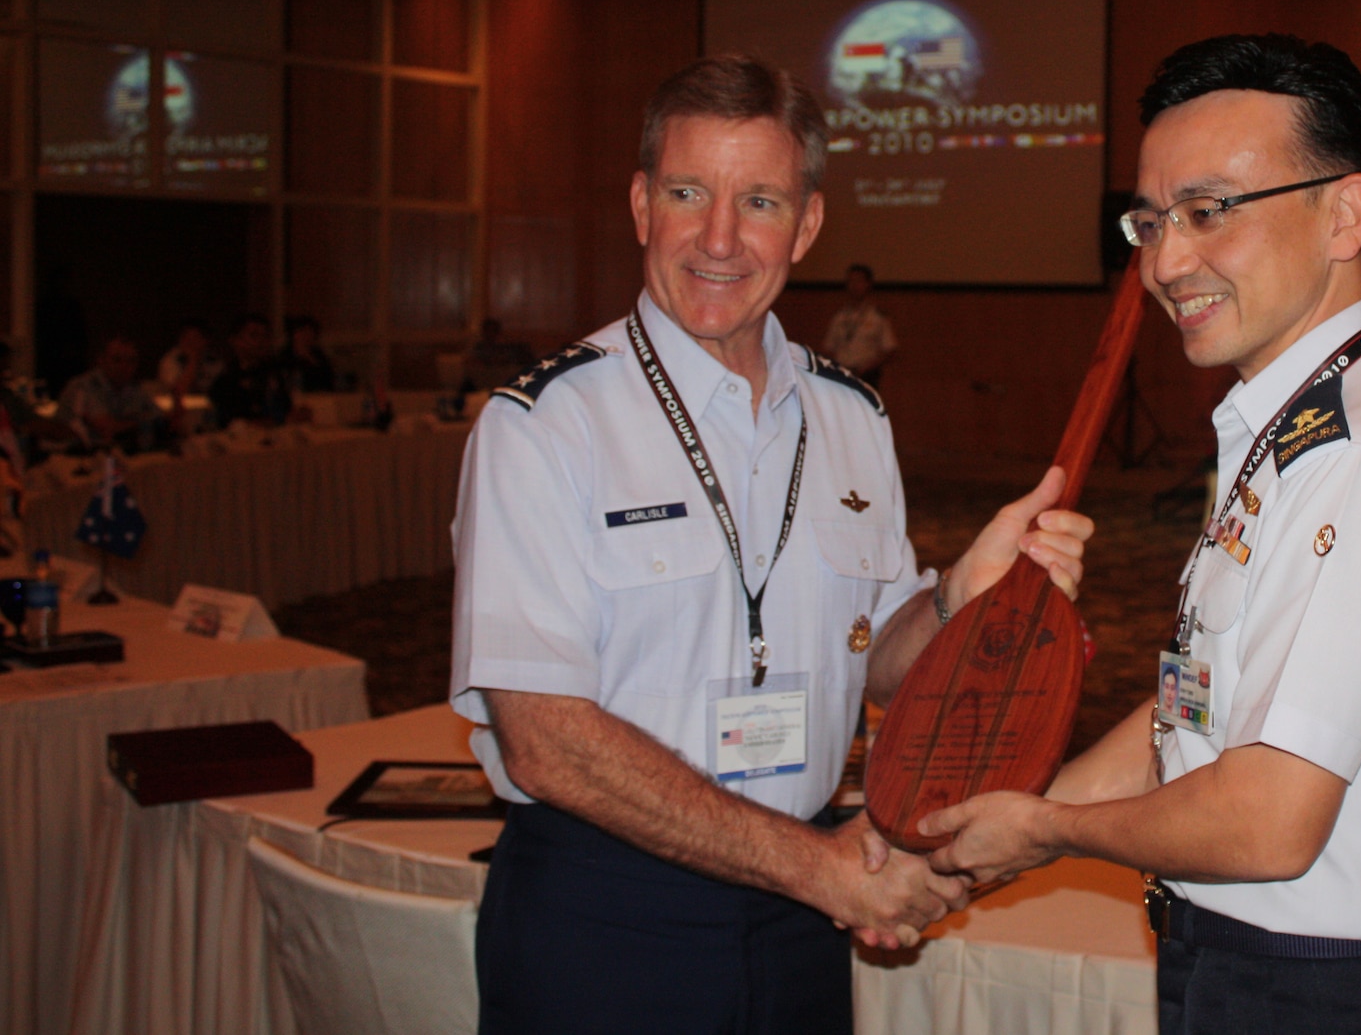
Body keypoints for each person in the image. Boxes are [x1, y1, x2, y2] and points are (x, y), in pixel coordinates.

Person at [450, 54, 1095, 1035]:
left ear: (806, 223)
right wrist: (822, 871)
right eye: (685, 193)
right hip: (606, 917)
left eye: (757, 200)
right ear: (639, 205)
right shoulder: (545, 425)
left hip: (799, 916)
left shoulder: (848, 417)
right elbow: (544, 741)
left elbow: (884, 660)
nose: (717, 237)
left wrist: (964, 594)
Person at [920, 34, 1361, 1034]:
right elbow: (1194, 712)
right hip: (1245, 968)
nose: (1162, 263)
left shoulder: (1352, 461)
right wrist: (999, 830)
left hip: (1319, 992)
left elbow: (1266, 818)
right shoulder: (1287, 426)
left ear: (1344, 213)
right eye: (1148, 220)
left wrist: (1046, 827)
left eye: (1207, 211)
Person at [60, 334, 165, 451]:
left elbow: (162, 419)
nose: (124, 366)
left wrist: (131, 424)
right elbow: (106, 428)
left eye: (131, 361)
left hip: (109, 456)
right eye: (117, 360)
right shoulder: (83, 386)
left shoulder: (133, 388)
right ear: (101, 360)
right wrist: (141, 422)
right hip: (69, 456)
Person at [208, 313, 293, 427]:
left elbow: (285, 408)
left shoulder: (273, 373)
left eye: (266, 336)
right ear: (235, 341)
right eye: (254, 336)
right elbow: (231, 423)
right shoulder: (226, 380)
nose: (261, 341)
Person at [821, 262, 897, 387]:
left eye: (859, 281)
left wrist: (868, 366)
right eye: (851, 281)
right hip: (842, 374)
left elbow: (889, 348)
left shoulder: (877, 317)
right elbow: (828, 347)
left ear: (868, 284)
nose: (854, 286)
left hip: (867, 375)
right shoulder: (839, 317)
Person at [464, 317, 535, 391]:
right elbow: (472, 365)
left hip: (504, 382)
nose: (490, 334)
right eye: (488, 331)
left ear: (498, 332)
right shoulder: (479, 348)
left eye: (493, 331)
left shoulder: (508, 348)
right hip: (483, 382)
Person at [156, 320, 222, 394]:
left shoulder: (214, 361)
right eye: (186, 338)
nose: (190, 343)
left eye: (195, 338)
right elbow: (179, 391)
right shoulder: (170, 360)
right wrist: (192, 360)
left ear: (206, 340)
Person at [279, 314, 338, 393]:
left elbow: (330, 378)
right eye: (302, 331)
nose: (306, 336)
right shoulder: (285, 357)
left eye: (310, 331)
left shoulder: (319, 355)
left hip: (321, 397)